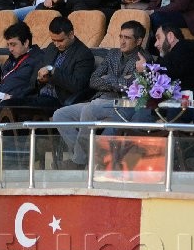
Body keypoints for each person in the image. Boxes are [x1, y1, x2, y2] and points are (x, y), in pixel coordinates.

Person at [52, 20, 148, 167]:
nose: (122, 41)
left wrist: (108, 79)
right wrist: (119, 81)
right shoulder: (112, 54)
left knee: (89, 110)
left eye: (127, 38)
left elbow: (130, 87)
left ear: (139, 41)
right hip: (99, 100)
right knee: (60, 115)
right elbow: (93, 80)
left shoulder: (144, 59)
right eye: (121, 36)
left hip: (122, 105)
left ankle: (79, 161)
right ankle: (86, 157)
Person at [151, 24, 194, 94]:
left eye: (159, 38)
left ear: (170, 36)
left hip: (187, 98)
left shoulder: (186, 49)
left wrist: (146, 68)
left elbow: (168, 73)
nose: (155, 44)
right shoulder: (172, 52)